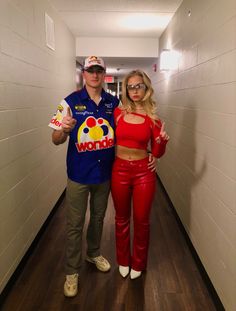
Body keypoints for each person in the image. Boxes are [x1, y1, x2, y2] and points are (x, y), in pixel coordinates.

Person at [48, 56, 119, 297]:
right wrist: (64, 130)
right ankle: (71, 272)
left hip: (104, 174)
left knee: (98, 218)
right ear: (83, 74)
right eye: (91, 70)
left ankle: (94, 252)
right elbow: (55, 139)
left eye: (99, 70)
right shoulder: (67, 102)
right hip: (78, 174)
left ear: (104, 73)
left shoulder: (114, 102)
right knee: (74, 224)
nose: (95, 75)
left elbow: (126, 133)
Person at [111, 70, 169, 280]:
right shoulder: (118, 113)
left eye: (139, 86)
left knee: (142, 220)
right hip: (119, 170)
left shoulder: (154, 118)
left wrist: (161, 142)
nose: (134, 90)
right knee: (121, 218)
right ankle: (123, 260)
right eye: (131, 86)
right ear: (126, 89)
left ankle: (138, 262)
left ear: (146, 88)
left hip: (144, 172)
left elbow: (158, 152)